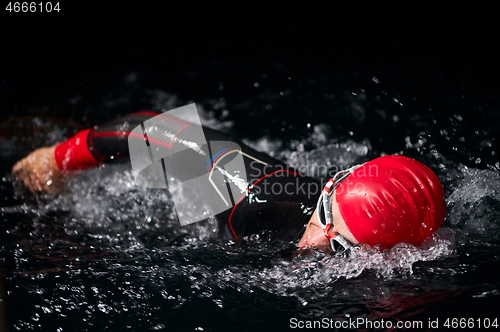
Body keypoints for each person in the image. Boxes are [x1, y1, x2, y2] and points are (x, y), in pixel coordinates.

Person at [11, 110, 446, 254]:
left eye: (341, 249)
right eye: (326, 221)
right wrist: (56, 158)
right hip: (167, 197)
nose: (320, 241)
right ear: (329, 187)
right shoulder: (256, 194)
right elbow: (148, 129)